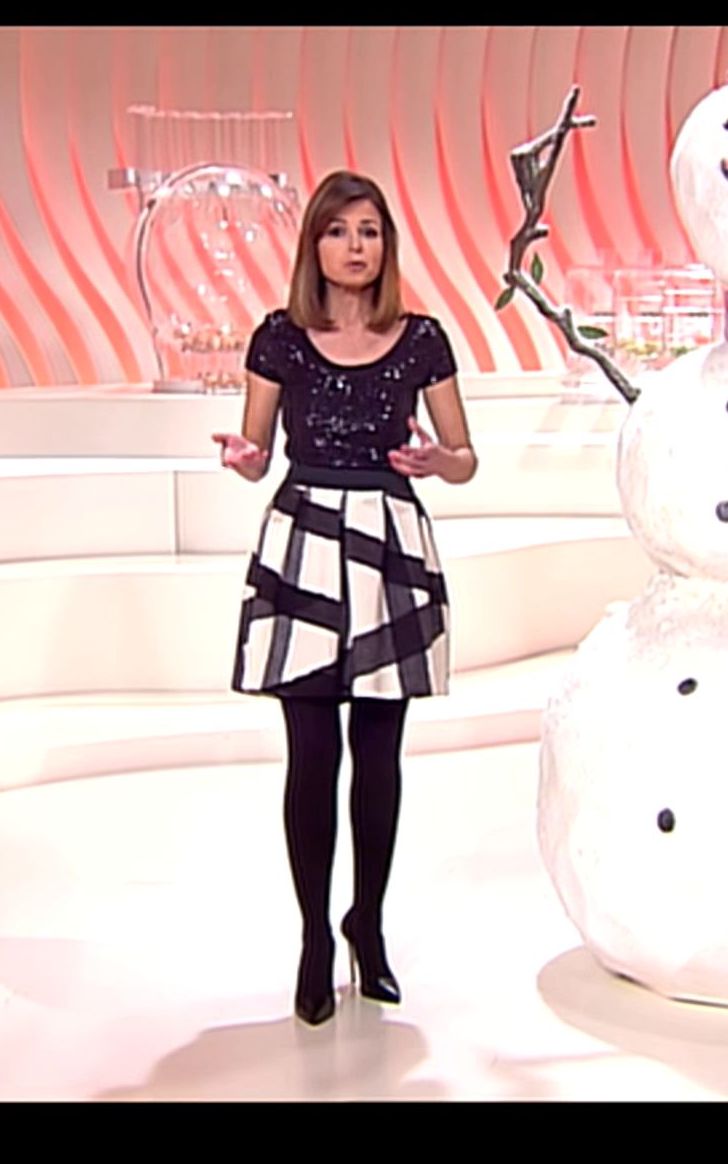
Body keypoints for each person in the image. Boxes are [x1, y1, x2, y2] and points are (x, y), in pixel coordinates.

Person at [213, 171, 477, 1027]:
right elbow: (257, 449)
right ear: (314, 246)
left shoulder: (422, 339)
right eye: (338, 231)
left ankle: (368, 923)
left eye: (368, 231)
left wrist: (438, 461)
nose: (354, 246)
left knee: (379, 755)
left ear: (385, 245)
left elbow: (465, 456)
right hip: (304, 542)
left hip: (388, 548)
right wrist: (245, 460)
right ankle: (314, 940)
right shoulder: (280, 339)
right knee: (312, 757)